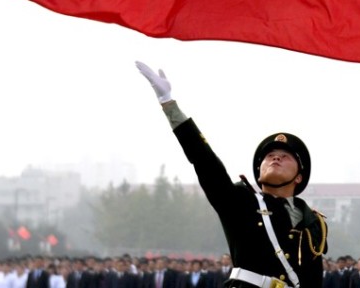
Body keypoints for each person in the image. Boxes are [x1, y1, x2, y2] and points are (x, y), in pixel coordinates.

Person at [136, 61, 328, 288]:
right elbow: (205, 161)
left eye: (285, 156)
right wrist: (168, 103)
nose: (275, 158)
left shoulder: (313, 220)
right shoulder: (239, 199)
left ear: (299, 177)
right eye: (269, 156)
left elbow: (313, 277)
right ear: (259, 173)